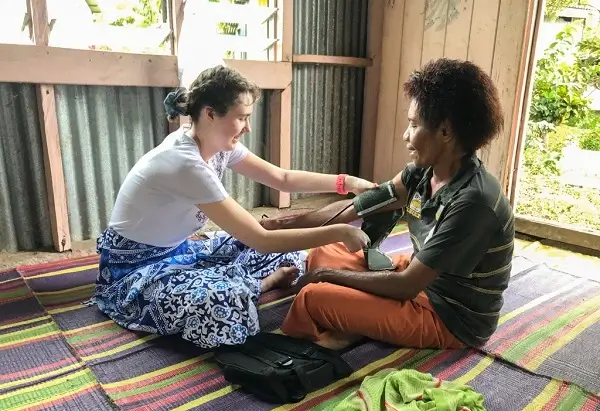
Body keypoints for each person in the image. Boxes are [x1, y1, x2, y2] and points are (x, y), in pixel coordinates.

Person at [90, 65, 375, 349]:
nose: (248, 127)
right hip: (133, 269)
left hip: (179, 252)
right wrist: (338, 232)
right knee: (223, 304)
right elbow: (261, 239)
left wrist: (348, 182)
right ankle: (259, 286)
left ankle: (248, 283)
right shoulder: (185, 163)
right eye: (242, 118)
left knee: (287, 252)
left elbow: (282, 179)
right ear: (210, 113)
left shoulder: (216, 144)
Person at [262, 58, 515, 350]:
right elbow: (354, 209)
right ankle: (359, 321)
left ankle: (344, 331)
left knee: (313, 297)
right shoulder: (422, 173)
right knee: (324, 249)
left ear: (445, 132)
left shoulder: (474, 203)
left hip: (449, 316)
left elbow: (407, 285)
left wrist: (325, 276)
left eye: (414, 125)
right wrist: (276, 227)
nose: (406, 136)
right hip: (422, 280)